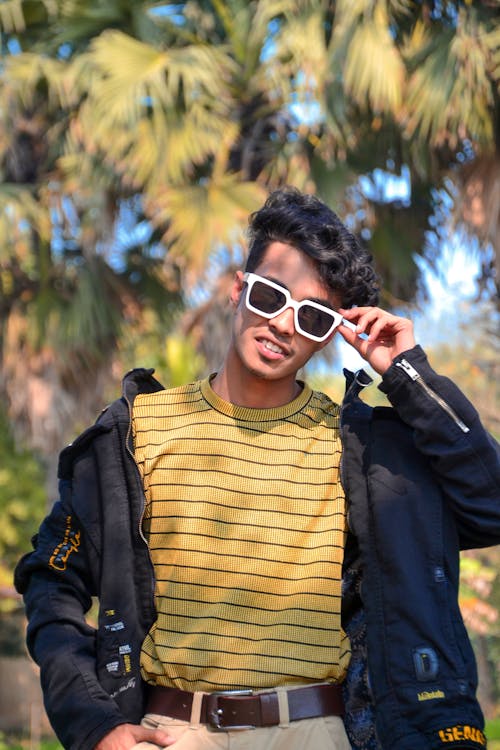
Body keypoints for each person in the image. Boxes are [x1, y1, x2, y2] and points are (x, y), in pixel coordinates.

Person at [14, 187, 500, 750]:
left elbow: (489, 505)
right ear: (237, 291)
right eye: (271, 297)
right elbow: (51, 580)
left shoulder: (362, 448)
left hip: (321, 731)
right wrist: (93, 723)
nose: (284, 325)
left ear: (330, 335)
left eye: (314, 316)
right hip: (171, 732)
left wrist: (407, 375)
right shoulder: (133, 432)